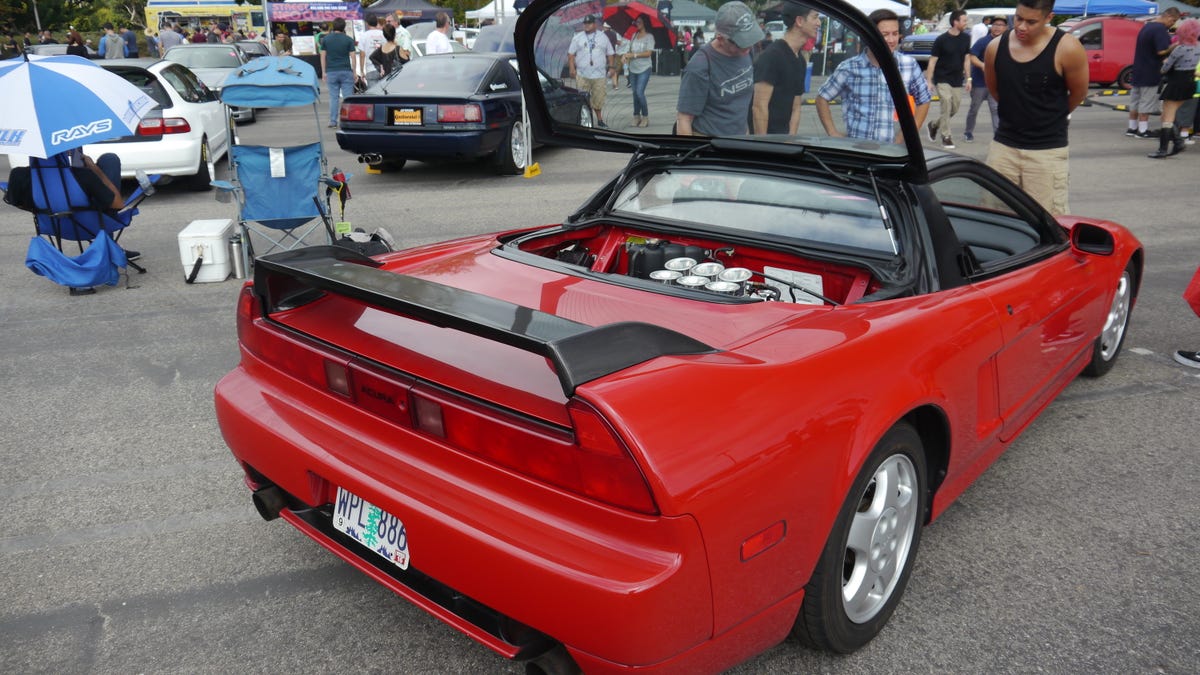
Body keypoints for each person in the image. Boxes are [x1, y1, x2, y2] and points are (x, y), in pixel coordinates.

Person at [984, 0, 1088, 217]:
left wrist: (1049, 117)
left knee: (1048, 221)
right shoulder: (995, 47)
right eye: (1018, 18)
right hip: (1003, 147)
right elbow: (995, 91)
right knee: (995, 214)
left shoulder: (1067, 48)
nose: (1022, 26)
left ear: (1049, 18)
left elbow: (1078, 94)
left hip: (1047, 152)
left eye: (1031, 22)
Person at [815, 9, 932, 144]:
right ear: (870, 35)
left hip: (893, 152)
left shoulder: (908, 65)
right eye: (885, 34)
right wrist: (832, 132)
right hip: (858, 151)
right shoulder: (849, 68)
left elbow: (924, 100)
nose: (891, 40)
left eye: (895, 34)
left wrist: (905, 136)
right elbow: (822, 98)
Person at [675, 2, 762, 136]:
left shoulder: (747, 51)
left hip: (740, 138)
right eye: (741, 43)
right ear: (720, 38)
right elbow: (684, 119)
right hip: (709, 143)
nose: (748, 47)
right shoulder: (700, 66)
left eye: (750, 40)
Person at [752, 2, 821, 135]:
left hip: (784, 142)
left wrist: (790, 140)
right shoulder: (772, 56)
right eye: (815, 17)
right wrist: (762, 146)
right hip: (766, 142)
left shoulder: (800, 60)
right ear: (800, 21)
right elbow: (759, 107)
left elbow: (796, 107)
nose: (819, 23)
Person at [1148, 18, 1200, 158]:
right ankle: (1177, 142)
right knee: (1167, 116)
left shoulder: (1179, 49)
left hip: (1176, 84)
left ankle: (1164, 149)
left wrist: (1166, 61)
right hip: (1190, 84)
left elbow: (1164, 69)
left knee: (1167, 118)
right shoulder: (1198, 47)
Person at [1126, 8, 1181, 138]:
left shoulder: (1147, 27)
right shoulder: (1160, 30)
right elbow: (1161, 51)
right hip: (1150, 72)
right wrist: (1176, 44)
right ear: (1167, 16)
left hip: (1138, 70)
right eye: (1173, 20)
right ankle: (1143, 131)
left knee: (1135, 102)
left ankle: (1132, 128)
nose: (1172, 24)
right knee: (1146, 102)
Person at [925, 9, 972, 149]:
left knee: (954, 108)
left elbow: (967, 60)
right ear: (955, 22)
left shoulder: (966, 38)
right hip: (942, 78)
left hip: (957, 79)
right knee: (946, 103)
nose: (966, 22)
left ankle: (933, 125)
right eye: (964, 20)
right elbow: (932, 61)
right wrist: (929, 81)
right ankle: (946, 136)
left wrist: (969, 78)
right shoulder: (941, 40)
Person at [964, 16, 1006, 143]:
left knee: (995, 109)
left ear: (1006, 28)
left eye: (1000, 25)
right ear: (990, 27)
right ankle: (968, 132)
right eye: (995, 24)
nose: (997, 27)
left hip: (996, 83)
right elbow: (972, 57)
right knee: (974, 108)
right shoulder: (983, 41)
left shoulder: (1007, 42)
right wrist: (982, 65)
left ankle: (997, 135)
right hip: (979, 83)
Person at [569, 15, 616, 128]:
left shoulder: (603, 37)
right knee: (582, 99)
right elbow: (571, 54)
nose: (587, 25)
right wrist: (572, 68)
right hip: (582, 74)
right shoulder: (577, 37)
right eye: (585, 23)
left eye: (589, 23)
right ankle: (584, 120)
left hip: (599, 75)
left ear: (595, 24)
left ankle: (599, 120)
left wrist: (611, 67)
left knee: (598, 99)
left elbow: (610, 53)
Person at [320, 17, 357, 128]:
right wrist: (354, 72)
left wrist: (323, 72)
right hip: (346, 70)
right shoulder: (349, 39)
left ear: (333, 26)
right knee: (347, 98)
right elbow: (353, 57)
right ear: (344, 27)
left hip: (331, 71)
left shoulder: (326, 39)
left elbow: (323, 56)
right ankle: (348, 121)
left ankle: (333, 121)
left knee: (333, 97)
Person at [622, 15, 657, 127]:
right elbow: (629, 50)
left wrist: (634, 55)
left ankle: (645, 117)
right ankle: (636, 116)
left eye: (639, 22)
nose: (637, 24)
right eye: (636, 22)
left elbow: (648, 53)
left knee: (639, 92)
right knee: (634, 93)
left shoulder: (649, 37)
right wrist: (625, 56)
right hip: (633, 69)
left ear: (645, 23)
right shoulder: (634, 35)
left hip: (645, 68)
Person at [357, 16, 386, 84]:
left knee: (373, 93)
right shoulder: (383, 34)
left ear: (367, 24)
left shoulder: (364, 36)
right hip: (383, 69)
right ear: (377, 23)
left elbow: (362, 55)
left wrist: (362, 71)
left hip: (370, 69)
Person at [603, 23, 622, 89]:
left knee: (603, 70)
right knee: (613, 69)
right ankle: (615, 85)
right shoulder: (614, 34)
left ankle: (603, 84)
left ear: (605, 27)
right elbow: (616, 42)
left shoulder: (602, 34)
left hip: (604, 54)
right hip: (613, 53)